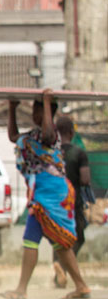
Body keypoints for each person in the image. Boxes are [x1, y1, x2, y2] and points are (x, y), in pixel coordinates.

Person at [0, 93, 92, 299]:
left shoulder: (52, 136)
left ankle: (21, 289)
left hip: (50, 195)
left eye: (37, 110)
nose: (34, 113)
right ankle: (81, 285)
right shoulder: (34, 135)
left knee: (31, 239)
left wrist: (48, 103)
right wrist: (12, 108)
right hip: (45, 193)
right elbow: (14, 137)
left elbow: (49, 134)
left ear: (49, 112)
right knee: (60, 244)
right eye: (34, 109)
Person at [53, 116, 92, 288]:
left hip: (53, 202)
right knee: (79, 237)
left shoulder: (51, 153)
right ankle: (63, 266)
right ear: (72, 132)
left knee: (57, 238)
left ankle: (58, 275)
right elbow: (85, 179)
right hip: (73, 202)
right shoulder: (78, 153)